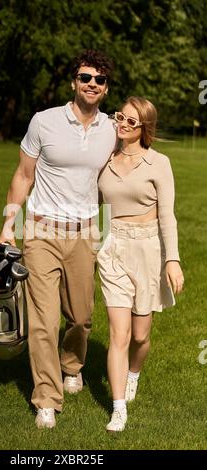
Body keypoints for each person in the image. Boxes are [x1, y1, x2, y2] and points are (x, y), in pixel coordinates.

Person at [0, 49, 116, 428]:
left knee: (81, 318)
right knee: (43, 321)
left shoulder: (112, 129)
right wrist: (8, 226)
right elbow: (23, 176)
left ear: (106, 88)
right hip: (41, 231)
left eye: (98, 79)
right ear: (73, 83)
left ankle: (72, 365)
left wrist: (114, 230)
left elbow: (117, 181)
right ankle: (47, 397)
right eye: (85, 77)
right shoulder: (44, 122)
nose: (91, 84)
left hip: (84, 233)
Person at [97, 96, 184, 432]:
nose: (123, 124)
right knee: (118, 334)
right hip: (113, 248)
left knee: (140, 335)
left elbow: (167, 216)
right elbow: (93, 206)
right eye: (121, 117)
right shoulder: (104, 161)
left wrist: (172, 260)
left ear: (144, 127)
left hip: (149, 250)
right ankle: (118, 408)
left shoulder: (158, 163)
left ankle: (134, 373)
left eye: (132, 121)